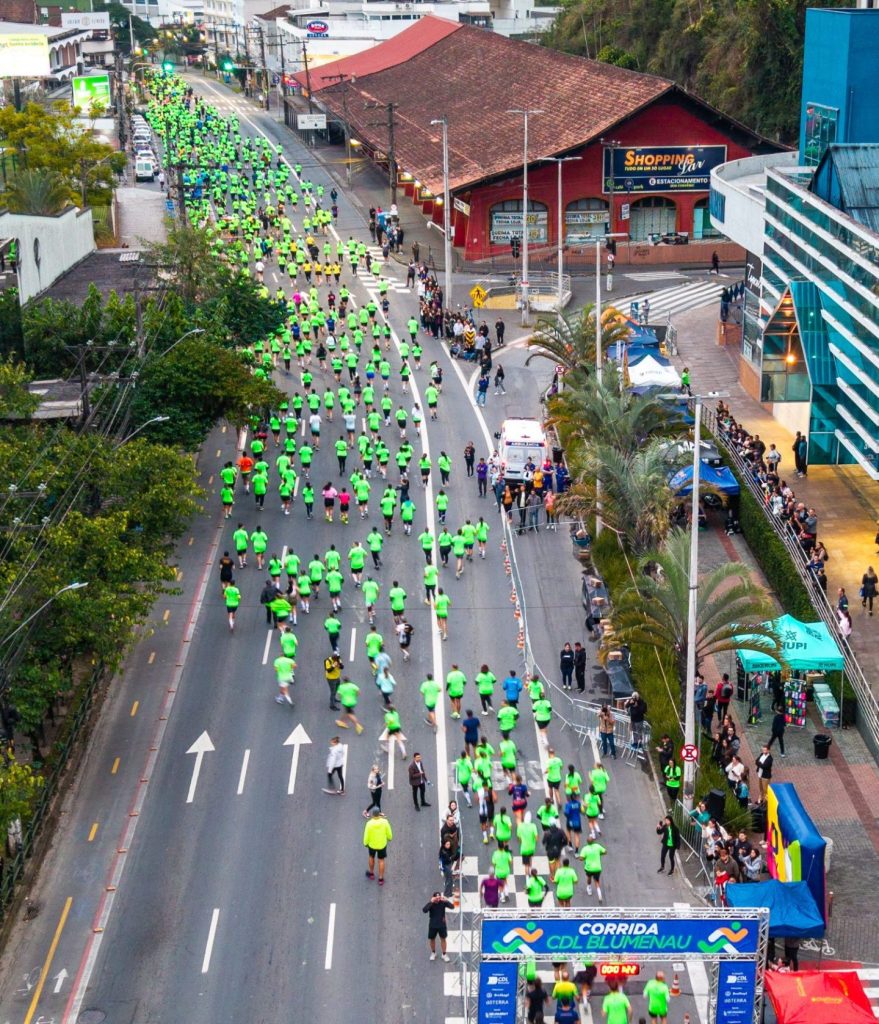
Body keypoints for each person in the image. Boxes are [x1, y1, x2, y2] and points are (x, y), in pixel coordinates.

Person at [363, 807, 393, 884]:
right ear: (379, 814)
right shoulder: (385, 822)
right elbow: (389, 834)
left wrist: (365, 843)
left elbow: (366, 835)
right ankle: (380, 879)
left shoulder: (369, 824)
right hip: (382, 844)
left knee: (371, 857)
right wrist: (389, 838)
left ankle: (371, 874)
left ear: (373, 815)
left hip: (372, 845)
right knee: (381, 860)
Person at [423, 892, 453, 961]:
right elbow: (424, 910)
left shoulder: (443, 903)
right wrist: (431, 902)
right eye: (436, 897)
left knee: (443, 939)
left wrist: (446, 901)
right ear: (433, 897)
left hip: (441, 925)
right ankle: (433, 953)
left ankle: (444, 954)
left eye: (439, 897)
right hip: (433, 925)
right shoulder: (431, 904)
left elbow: (452, 907)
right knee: (432, 939)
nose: (438, 899)